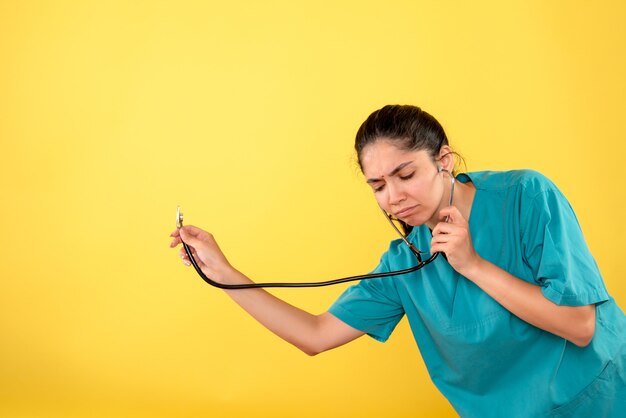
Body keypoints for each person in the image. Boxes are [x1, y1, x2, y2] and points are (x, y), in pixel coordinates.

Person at [169, 105, 626, 417]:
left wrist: (471, 265)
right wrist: (225, 274)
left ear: (443, 160)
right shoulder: (404, 262)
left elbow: (579, 325)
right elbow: (315, 335)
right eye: (377, 186)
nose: (394, 198)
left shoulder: (526, 196)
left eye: (405, 175)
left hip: (600, 399)